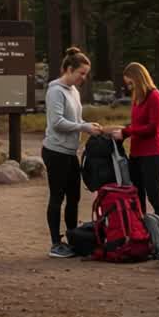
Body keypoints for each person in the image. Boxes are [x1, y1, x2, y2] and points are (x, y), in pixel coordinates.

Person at [43, 47, 102, 258]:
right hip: (55, 151)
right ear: (69, 69)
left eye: (85, 74)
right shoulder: (55, 91)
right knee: (57, 197)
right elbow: (57, 123)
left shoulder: (74, 92)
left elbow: (75, 121)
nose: (83, 78)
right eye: (81, 73)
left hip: (70, 152)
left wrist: (86, 124)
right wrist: (83, 128)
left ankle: (72, 238)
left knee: (74, 197)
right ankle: (55, 243)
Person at [111, 62, 159, 226]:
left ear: (138, 78)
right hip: (136, 155)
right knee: (137, 196)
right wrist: (123, 134)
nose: (129, 87)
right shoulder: (137, 98)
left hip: (152, 155)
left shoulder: (155, 96)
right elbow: (137, 126)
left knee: (154, 196)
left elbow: (153, 127)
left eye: (130, 83)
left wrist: (126, 132)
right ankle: (141, 233)